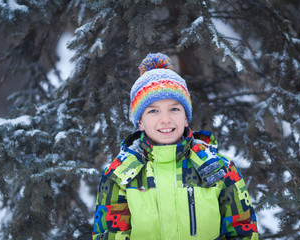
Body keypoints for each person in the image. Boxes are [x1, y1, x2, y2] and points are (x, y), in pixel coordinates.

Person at [92, 53, 258, 240]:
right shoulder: (119, 175)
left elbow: (242, 232)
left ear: (186, 117)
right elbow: (109, 235)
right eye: (153, 111)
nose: (165, 119)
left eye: (174, 109)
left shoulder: (219, 169)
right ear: (140, 122)